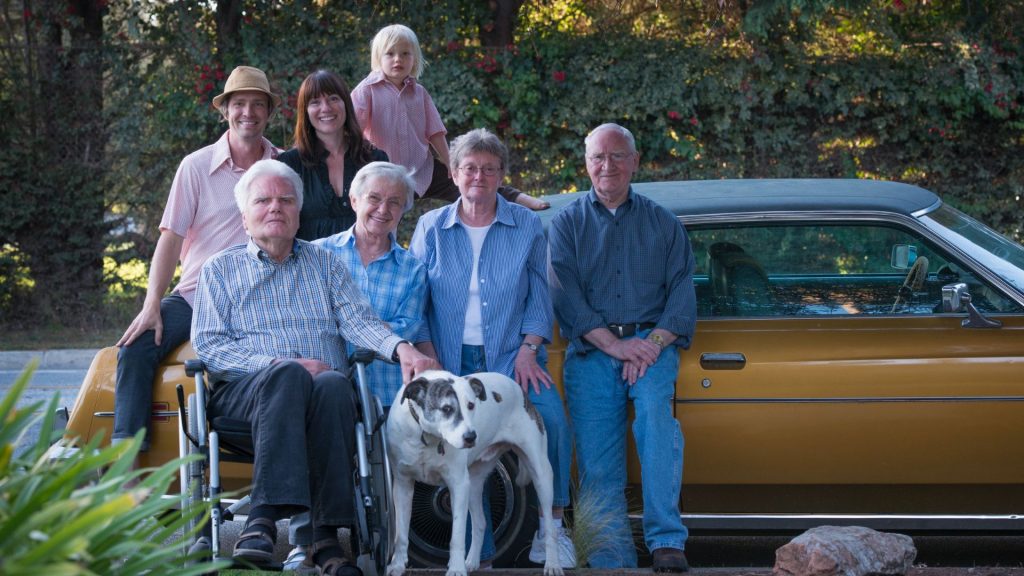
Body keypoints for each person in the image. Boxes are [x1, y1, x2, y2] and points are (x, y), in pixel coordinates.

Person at [191, 159, 437, 575]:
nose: (276, 208)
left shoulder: (325, 265)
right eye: (263, 200)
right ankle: (264, 518)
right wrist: (278, 364)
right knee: (289, 374)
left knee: (335, 386)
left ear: (298, 211)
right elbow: (210, 346)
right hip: (246, 396)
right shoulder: (220, 269)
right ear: (244, 214)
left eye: (286, 200)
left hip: (323, 399)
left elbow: (360, 322)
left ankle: (326, 538)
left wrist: (403, 351)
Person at [409, 128, 575, 568]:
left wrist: (529, 348)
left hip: (511, 357)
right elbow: (416, 300)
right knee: (460, 455)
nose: (478, 176)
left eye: (489, 168)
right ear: (454, 173)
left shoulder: (525, 225)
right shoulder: (432, 227)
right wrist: (432, 362)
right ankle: (475, 556)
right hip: (449, 358)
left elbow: (541, 294)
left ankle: (551, 527)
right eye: (469, 168)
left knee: (552, 422)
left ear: (502, 174)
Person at [548, 123, 696, 572]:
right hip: (593, 352)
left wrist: (647, 346)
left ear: (634, 161)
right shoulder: (567, 225)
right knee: (596, 459)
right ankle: (611, 556)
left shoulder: (663, 224)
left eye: (616, 156)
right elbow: (565, 296)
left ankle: (666, 542)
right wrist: (616, 346)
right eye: (598, 157)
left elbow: (683, 296)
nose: (606, 165)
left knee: (656, 424)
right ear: (586, 163)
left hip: (652, 348)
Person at [112, 65, 281, 452]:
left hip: (265, 300)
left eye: (258, 104)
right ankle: (126, 463)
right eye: (239, 104)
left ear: (269, 113)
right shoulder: (195, 167)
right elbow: (169, 240)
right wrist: (152, 303)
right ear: (225, 111)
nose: (248, 113)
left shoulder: (283, 166)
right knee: (135, 346)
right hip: (198, 296)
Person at [283, 162, 427, 570]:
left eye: (395, 203)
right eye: (375, 198)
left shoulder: (413, 270)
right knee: (317, 418)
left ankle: (376, 540)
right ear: (354, 201)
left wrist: (352, 337)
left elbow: (405, 327)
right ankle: (307, 539)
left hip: (379, 385)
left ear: (403, 212)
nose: (383, 209)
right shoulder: (317, 253)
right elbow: (304, 317)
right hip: (324, 379)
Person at [351, 24, 550, 211]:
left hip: (422, 168)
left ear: (415, 59)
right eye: (390, 54)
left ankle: (515, 198)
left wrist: (449, 163)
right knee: (384, 217)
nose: (398, 59)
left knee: (470, 181)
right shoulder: (366, 91)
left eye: (405, 54)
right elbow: (352, 134)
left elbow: (435, 132)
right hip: (383, 173)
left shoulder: (419, 93)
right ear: (378, 57)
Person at [277, 70, 388, 241]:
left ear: (346, 104)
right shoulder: (289, 165)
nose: (326, 108)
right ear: (305, 111)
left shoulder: (375, 161)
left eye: (333, 99)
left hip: (366, 264)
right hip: (309, 265)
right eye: (315, 102)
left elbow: (390, 214)